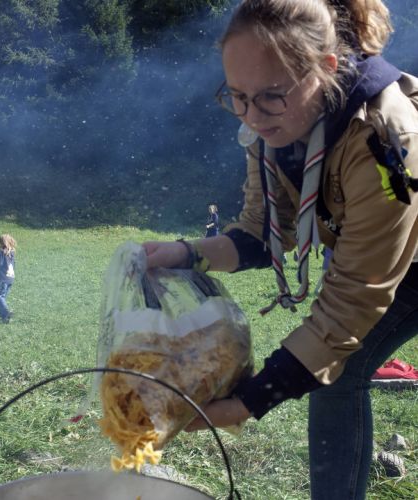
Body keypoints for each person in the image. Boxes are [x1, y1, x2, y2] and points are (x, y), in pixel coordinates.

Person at [142, 1, 418, 499]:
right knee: (336, 375)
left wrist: (251, 399)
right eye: (237, 96)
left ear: (325, 69)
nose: (251, 115)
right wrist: (185, 254)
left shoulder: (384, 137)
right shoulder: (271, 126)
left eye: (271, 95)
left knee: (339, 369)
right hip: (381, 255)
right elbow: (265, 230)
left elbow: (353, 300)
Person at [0, 234, 16, 323]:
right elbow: (14, 265)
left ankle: (6, 313)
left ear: (1, 242)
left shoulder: (1, 252)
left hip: (2, 278)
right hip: (10, 278)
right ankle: (4, 319)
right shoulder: (12, 252)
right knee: (2, 297)